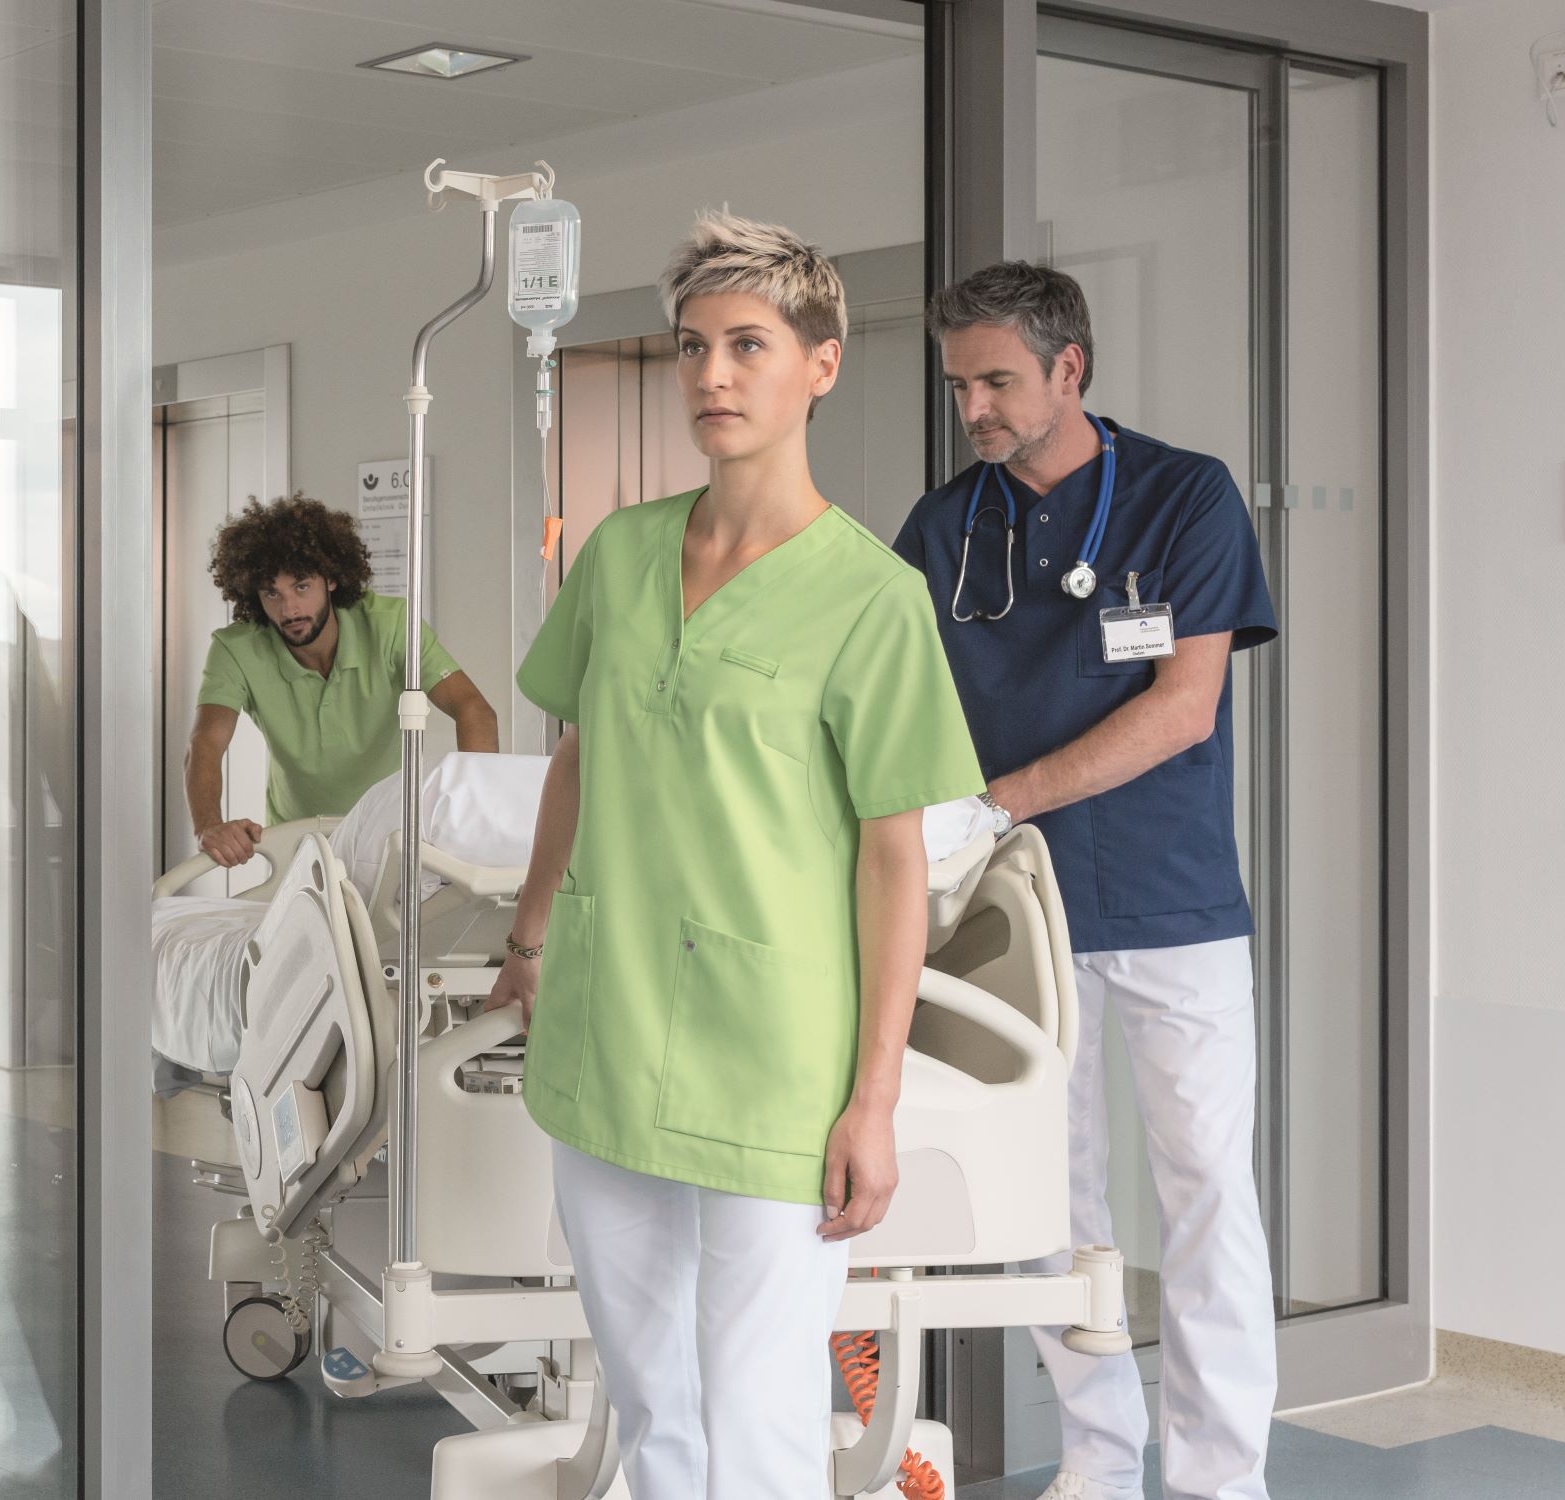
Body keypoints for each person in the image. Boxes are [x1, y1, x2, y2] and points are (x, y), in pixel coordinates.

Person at [485, 211, 984, 1499]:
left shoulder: (872, 597)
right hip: (605, 1024)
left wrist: (874, 1101)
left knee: (759, 1419)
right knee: (655, 1410)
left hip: (773, 1060)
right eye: (694, 346)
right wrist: (530, 941)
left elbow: (893, 862)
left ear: (820, 363)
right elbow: (581, 759)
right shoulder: (621, 554)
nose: (711, 375)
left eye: (747, 345)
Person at [895, 262, 1280, 1500]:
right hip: (1009, 920)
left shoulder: (1186, 497)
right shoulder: (946, 526)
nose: (977, 409)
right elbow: (898, 705)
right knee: (1045, 1203)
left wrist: (997, 800)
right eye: (962, 385)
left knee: (1208, 1193)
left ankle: (1221, 1481)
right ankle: (1101, 1465)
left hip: (1170, 904)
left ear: (1072, 369)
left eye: (999, 380)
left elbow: (1183, 709)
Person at [187, 493, 496, 867]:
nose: (289, 609)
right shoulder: (235, 648)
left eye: (301, 586)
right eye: (272, 593)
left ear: (331, 579)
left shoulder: (392, 625)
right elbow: (205, 743)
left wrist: (471, 815)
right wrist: (209, 826)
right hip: (299, 844)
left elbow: (474, 709)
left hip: (391, 838)